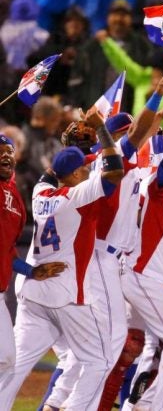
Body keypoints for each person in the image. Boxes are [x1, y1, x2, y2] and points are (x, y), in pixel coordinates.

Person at [0, 107, 125, 410]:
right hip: (65, 293)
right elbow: (114, 171)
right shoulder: (76, 197)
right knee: (99, 359)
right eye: (81, 169)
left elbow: (52, 173)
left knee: (12, 364)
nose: (86, 171)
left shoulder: (39, 193)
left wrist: (73, 146)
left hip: (32, 293)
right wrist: (102, 132)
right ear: (73, 175)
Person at [0, 134, 66, 390]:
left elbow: (7, 251)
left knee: (7, 361)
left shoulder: (15, 197)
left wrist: (31, 271)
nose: (6, 155)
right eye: (0, 151)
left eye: (9, 151)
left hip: (2, 292)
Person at [68, 0, 152, 114]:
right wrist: (77, 106)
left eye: (123, 15)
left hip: (129, 113)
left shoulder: (142, 46)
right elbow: (77, 79)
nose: (118, 19)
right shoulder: (93, 46)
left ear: (130, 19)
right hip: (95, 111)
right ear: (108, 18)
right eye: (115, 14)